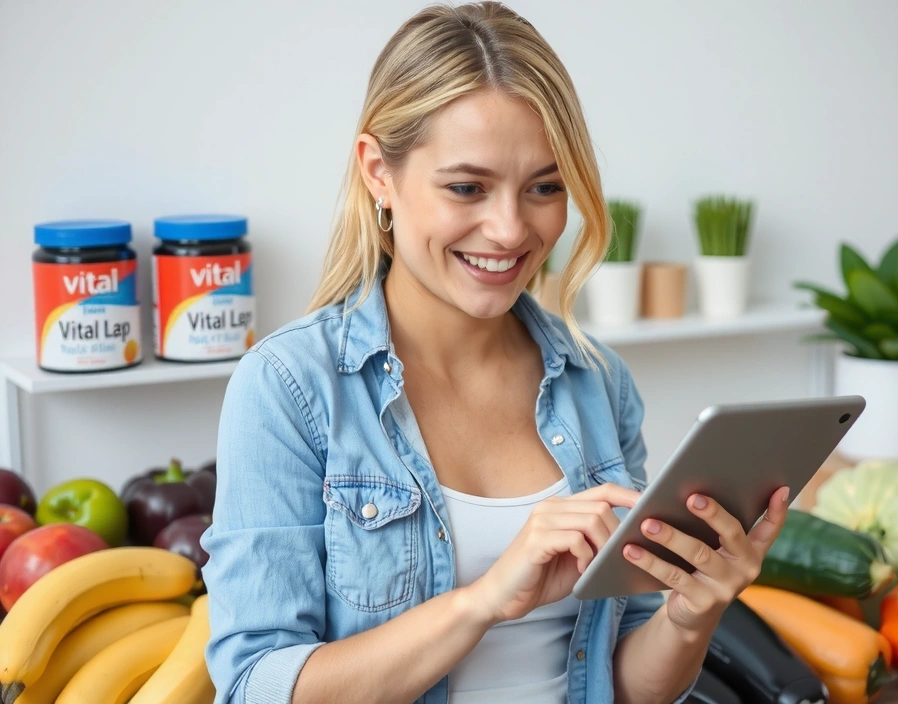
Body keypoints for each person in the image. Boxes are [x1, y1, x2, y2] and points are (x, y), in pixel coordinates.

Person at [200, 3, 789, 703]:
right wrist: (484, 600)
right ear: (378, 173)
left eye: (544, 187)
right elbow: (254, 686)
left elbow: (624, 686)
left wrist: (693, 616)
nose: (510, 230)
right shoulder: (289, 389)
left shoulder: (597, 382)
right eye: (467, 187)